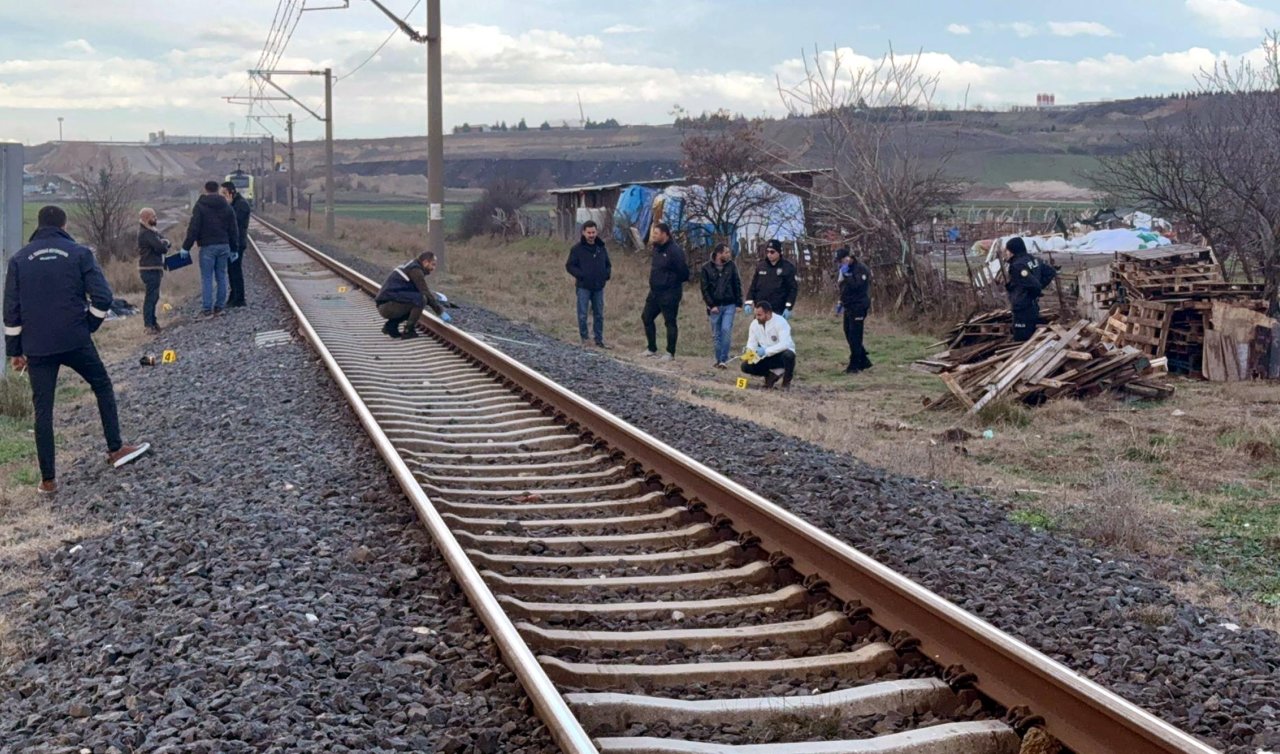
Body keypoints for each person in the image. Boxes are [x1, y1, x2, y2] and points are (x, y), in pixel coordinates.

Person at [4, 206, 151, 494]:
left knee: (42, 411)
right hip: (75, 340)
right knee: (102, 386)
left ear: (39, 226)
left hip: (38, 347)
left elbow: (11, 311)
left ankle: (48, 481)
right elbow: (104, 297)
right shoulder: (80, 253)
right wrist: (89, 326)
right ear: (63, 224)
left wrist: (16, 351)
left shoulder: (19, 260)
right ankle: (115, 448)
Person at [181, 180, 239, 316]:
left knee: (207, 277)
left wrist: (186, 247)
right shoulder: (226, 206)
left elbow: (193, 228)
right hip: (224, 245)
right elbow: (233, 229)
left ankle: (207, 308)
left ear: (205, 190)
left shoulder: (200, 206)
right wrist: (234, 248)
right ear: (218, 189)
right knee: (222, 276)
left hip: (207, 246)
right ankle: (220, 306)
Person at [640, 222, 689, 361]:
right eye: (653, 233)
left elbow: (684, 273)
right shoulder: (656, 249)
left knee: (670, 322)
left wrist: (669, 282)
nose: (653, 236)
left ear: (664, 234)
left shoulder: (675, 251)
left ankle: (670, 352)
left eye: (656, 233)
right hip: (655, 291)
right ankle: (651, 348)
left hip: (670, 293)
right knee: (646, 317)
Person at [375, 251, 450, 339]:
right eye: (432, 264)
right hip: (387, 307)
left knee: (416, 299)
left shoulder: (412, 266)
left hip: (388, 304)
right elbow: (424, 292)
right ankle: (408, 330)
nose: (433, 268)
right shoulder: (415, 271)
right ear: (425, 262)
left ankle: (391, 326)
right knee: (421, 299)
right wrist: (440, 311)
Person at [564, 220, 611, 348]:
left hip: (598, 287)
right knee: (583, 313)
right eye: (589, 232)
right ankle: (585, 338)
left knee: (599, 314)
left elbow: (608, 264)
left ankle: (599, 339)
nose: (591, 235)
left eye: (593, 232)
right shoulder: (577, 249)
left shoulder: (601, 248)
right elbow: (569, 266)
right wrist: (581, 275)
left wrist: (606, 275)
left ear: (597, 232)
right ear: (584, 232)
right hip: (583, 287)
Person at [699, 242, 742, 369]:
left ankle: (724, 359)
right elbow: (704, 288)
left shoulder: (731, 266)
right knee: (716, 334)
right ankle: (718, 359)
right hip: (714, 306)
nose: (729, 255)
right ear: (719, 254)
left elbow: (737, 284)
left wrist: (739, 303)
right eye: (726, 252)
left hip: (729, 304)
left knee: (726, 330)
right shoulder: (706, 268)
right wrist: (711, 305)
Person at [1004, 237, 1055, 342]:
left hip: (1022, 308)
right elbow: (1050, 272)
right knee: (1031, 337)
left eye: (1007, 250)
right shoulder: (1034, 260)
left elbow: (1034, 284)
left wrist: (1034, 291)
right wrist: (1039, 287)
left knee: (1021, 340)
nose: (1006, 253)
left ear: (1013, 250)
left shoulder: (1017, 266)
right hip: (1033, 306)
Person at [740, 301, 796, 389]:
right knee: (745, 366)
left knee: (789, 355)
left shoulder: (781, 322)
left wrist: (766, 350)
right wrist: (749, 351)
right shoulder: (754, 324)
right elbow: (752, 342)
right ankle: (771, 375)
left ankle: (786, 382)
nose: (757, 317)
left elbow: (785, 343)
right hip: (766, 357)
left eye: (759, 315)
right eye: (756, 315)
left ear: (768, 313)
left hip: (780, 355)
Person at [835, 247, 873, 373]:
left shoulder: (860, 269)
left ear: (848, 258)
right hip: (849, 305)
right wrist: (841, 301)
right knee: (848, 332)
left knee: (856, 335)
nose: (841, 264)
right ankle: (864, 360)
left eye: (842, 261)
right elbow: (844, 287)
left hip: (859, 305)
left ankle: (854, 365)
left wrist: (847, 275)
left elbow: (857, 285)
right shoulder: (846, 269)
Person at [745, 238, 798, 321]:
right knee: (760, 332)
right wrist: (748, 302)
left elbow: (792, 289)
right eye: (767, 252)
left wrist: (788, 307)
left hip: (778, 309)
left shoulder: (787, 267)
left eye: (772, 252)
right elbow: (754, 286)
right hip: (761, 308)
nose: (769, 254)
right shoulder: (761, 266)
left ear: (779, 252)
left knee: (775, 333)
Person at [137, 207, 169, 334]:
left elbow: (163, 241)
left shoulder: (152, 232)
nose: (155, 219)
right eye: (153, 216)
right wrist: (164, 243)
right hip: (149, 269)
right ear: (145, 218)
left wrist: (164, 242)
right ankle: (148, 325)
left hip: (154, 268)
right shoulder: (146, 233)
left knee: (154, 296)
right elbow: (161, 247)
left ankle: (153, 322)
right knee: (151, 297)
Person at [221, 181, 252, 308]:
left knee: (236, 270)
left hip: (238, 243)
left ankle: (239, 298)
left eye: (224, 193)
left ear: (231, 193)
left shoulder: (241, 205)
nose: (222, 197)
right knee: (231, 270)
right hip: (232, 242)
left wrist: (227, 207)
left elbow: (234, 222)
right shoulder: (235, 204)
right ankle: (234, 296)